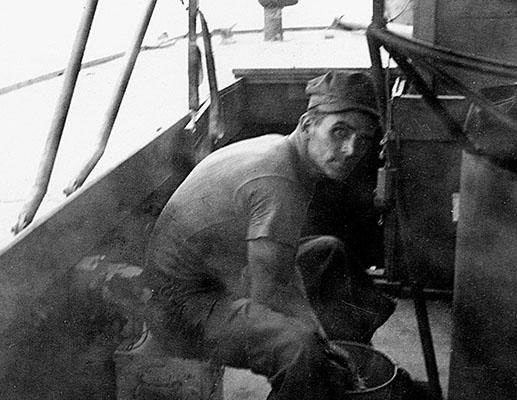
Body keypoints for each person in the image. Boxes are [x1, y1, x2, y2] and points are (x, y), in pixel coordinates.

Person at [142, 71, 396, 399]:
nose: (350, 149)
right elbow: (270, 293)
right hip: (179, 306)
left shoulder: (286, 152)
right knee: (297, 347)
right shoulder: (279, 180)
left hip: (224, 276)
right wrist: (319, 339)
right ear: (308, 125)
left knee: (330, 253)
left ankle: (345, 373)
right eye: (340, 132)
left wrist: (324, 339)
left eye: (362, 140)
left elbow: (279, 264)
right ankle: (322, 373)